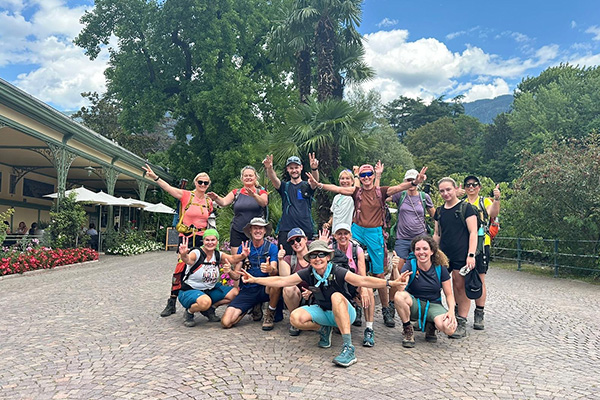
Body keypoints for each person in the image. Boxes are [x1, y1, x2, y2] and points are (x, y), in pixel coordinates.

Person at [239, 240, 411, 368]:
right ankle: (324, 330)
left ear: (328, 257)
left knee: (336, 296)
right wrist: (255, 279)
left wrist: (391, 284)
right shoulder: (308, 273)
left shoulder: (338, 271)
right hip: (324, 312)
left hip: (345, 312)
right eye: (313, 255)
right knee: (295, 317)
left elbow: (363, 279)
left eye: (321, 254)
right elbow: (282, 280)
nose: (317, 258)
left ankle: (348, 348)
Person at [307, 163, 427, 328]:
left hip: (374, 233)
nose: (366, 177)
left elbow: (400, 187)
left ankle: (386, 309)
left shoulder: (381, 191)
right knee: (351, 270)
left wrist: (415, 182)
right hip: (357, 231)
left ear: (373, 174)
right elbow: (337, 189)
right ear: (359, 178)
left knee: (378, 274)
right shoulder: (357, 192)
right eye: (363, 175)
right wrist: (318, 184)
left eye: (369, 174)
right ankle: (355, 306)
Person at [143, 164, 215, 318]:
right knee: (180, 269)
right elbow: (169, 188)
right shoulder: (186, 196)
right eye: (200, 182)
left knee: (204, 269)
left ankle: (205, 305)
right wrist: (155, 177)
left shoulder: (209, 202)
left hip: (202, 240)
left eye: (205, 183)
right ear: (195, 182)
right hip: (187, 238)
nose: (202, 185)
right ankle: (172, 301)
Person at [386, 169, 435, 323]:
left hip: (420, 240)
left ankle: (420, 305)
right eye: (408, 180)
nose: (411, 183)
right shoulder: (400, 195)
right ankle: (390, 306)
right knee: (397, 272)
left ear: (419, 181)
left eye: (413, 180)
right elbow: (382, 197)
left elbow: (436, 216)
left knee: (422, 271)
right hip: (402, 239)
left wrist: (437, 236)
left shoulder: (424, 197)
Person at [433, 177, 478, 339]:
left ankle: (461, 320)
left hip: (461, 253)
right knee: (436, 283)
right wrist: (433, 252)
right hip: (444, 255)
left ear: (455, 189)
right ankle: (435, 317)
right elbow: (437, 234)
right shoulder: (439, 211)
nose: (445, 193)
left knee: (459, 286)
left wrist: (471, 255)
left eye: (448, 190)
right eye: (442, 191)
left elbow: (473, 233)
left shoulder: (467, 208)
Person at [178, 229, 250, 327]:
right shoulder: (197, 253)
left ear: (217, 241)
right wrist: (183, 254)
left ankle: (210, 309)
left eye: (213, 240)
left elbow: (232, 259)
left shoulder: (217, 254)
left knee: (234, 293)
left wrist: (243, 255)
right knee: (205, 302)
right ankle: (189, 312)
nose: (210, 243)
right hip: (190, 290)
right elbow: (189, 260)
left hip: (209, 290)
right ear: (203, 241)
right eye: (207, 240)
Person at [394, 236, 457, 347]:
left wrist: (451, 312)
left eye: (425, 249)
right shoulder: (410, 264)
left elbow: (449, 294)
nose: (421, 252)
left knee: (449, 329)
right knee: (399, 296)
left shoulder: (440, 268)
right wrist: (395, 268)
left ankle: (431, 324)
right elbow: (400, 288)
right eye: (418, 249)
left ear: (432, 251)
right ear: (414, 251)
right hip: (414, 304)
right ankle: (408, 329)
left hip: (433, 305)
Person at [221, 217, 281, 330]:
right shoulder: (243, 248)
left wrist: (270, 269)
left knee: (276, 284)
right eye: (255, 228)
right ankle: (249, 307)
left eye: (260, 228)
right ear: (250, 230)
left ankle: (270, 313)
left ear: (264, 231)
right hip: (248, 290)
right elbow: (236, 276)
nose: (258, 231)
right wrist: (229, 271)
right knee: (226, 322)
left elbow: (275, 271)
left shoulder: (272, 248)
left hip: (265, 288)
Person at [329, 223, 376, 347]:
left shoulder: (357, 250)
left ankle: (369, 329)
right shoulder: (330, 249)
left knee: (369, 291)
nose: (342, 236)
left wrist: (364, 289)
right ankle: (331, 325)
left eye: (345, 233)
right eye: (339, 233)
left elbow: (362, 273)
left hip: (354, 284)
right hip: (337, 286)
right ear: (334, 236)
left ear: (350, 235)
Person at [463, 175, 501, 330]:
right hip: (463, 244)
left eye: (474, 184)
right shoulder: (462, 203)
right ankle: (462, 312)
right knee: (462, 278)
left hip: (482, 243)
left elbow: (493, 214)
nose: (471, 187)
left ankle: (479, 313)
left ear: (479, 187)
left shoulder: (484, 201)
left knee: (480, 278)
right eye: (468, 185)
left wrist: (497, 199)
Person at [263, 153, 320, 255]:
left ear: (301, 168)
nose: (294, 170)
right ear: (287, 169)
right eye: (291, 168)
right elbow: (274, 180)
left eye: (296, 167)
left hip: (305, 228)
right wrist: (269, 169)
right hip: (286, 229)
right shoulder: (285, 186)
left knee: (306, 259)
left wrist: (314, 169)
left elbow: (315, 182)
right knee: (285, 258)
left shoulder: (307, 185)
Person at [207, 166, 268, 256]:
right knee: (236, 260)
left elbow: (264, 203)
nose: (248, 177)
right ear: (242, 178)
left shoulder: (261, 192)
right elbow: (223, 202)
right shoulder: (236, 192)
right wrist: (216, 198)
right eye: (245, 176)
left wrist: (254, 195)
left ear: (255, 178)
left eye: (250, 175)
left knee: (255, 259)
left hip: (255, 232)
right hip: (237, 230)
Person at [277, 228, 311, 336]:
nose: (296, 243)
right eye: (292, 242)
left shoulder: (315, 256)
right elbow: (285, 280)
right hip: (298, 298)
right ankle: (295, 320)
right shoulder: (289, 259)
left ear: (305, 239)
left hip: (315, 295)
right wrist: (280, 260)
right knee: (288, 288)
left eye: (298, 239)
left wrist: (312, 292)